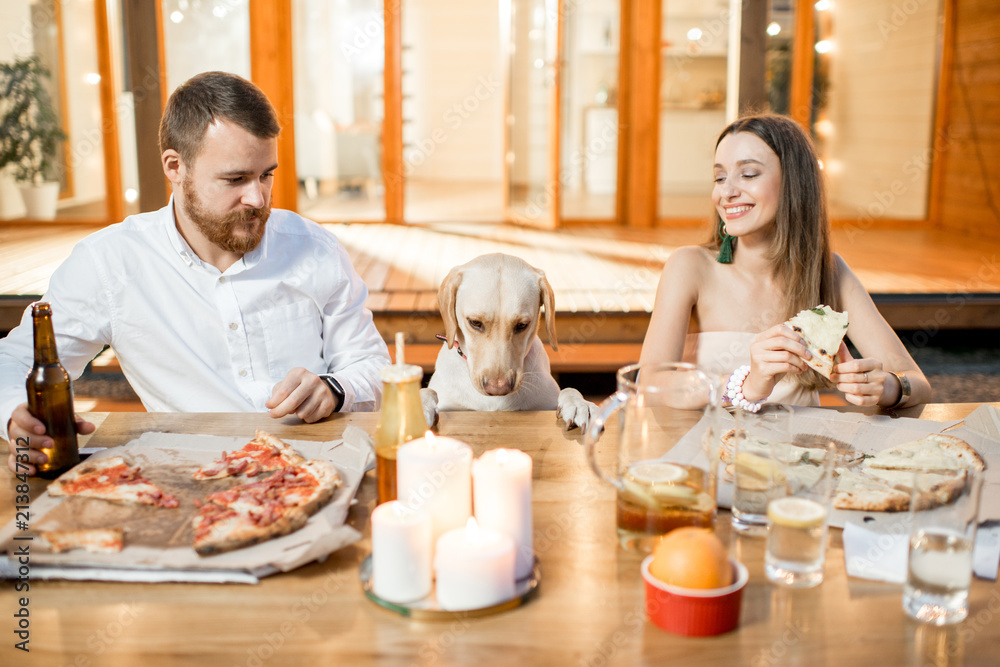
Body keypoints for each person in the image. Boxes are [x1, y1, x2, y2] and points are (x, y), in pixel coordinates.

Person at [1, 71, 391, 476]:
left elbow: (374, 368)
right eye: (235, 179)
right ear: (175, 167)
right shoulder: (110, 263)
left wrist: (334, 388)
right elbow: (13, 362)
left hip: (317, 468)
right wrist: (17, 419)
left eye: (266, 174)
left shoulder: (316, 248)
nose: (257, 198)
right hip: (191, 480)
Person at [639, 114, 930, 410]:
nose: (727, 192)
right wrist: (746, 384)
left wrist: (888, 387)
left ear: (794, 182)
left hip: (799, 453)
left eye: (748, 174)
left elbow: (917, 383)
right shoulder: (689, 267)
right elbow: (649, 385)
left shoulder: (829, 272)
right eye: (720, 177)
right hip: (708, 450)